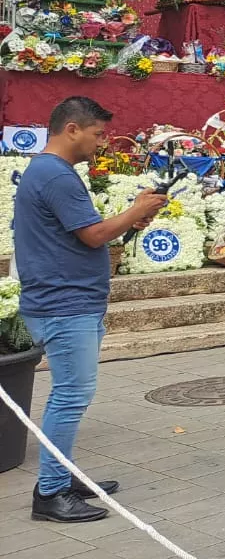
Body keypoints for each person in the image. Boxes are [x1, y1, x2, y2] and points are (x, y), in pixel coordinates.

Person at [17, 97, 167, 523]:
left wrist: (131, 217)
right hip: (64, 304)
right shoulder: (56, 176)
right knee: (70, 396)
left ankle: (60, 475)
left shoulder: (51, 172)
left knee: (72, 395)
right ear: (72, 130)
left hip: (69, 299)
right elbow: (93, 235)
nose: (101, 143)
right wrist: (136, 210)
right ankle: (50, 493)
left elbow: (85, 232)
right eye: (98, 134)